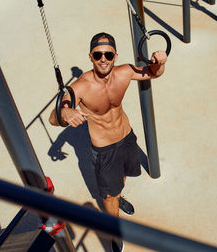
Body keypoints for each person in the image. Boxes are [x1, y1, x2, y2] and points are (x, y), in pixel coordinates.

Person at [49, 32, 167, 251]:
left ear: (115, 56)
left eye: (108, 54)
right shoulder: (81, 86)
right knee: (109, 194)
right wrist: (65, 114)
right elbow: (54, 117)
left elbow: (152, 73)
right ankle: (114, 232)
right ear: (91, 57)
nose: (103, 59)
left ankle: (119, 197)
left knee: (121, 178)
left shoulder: (124, 72)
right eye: (98, 54)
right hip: (104, 148)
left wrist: (160, 63)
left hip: (127, 137)